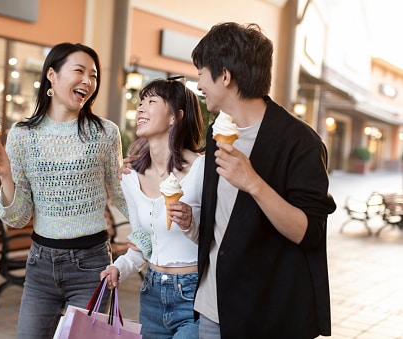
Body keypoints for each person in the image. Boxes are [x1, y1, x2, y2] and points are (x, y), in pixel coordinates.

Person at [190, 22, 337, 338]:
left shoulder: (300, 142)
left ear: (225, 75)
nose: (199, 83)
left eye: (201, 72)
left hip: (267, 317)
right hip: (211, 310)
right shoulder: (218, 133)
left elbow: (309, 233)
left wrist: (253, 182)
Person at [0, 42, 128, 339]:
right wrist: (6, 175)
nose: (88, 81)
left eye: (94, 75)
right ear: (52, 74)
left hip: (92, 266)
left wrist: (155, 233)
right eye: (79, 71)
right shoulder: (23, 135)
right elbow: (18, 217)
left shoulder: (105, 133)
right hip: (40, 265)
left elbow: (122, 194)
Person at [101, 77, 204, 338]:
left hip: (195, 296)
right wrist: (119, 268)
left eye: (152, 101)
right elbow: (142, 244)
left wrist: (191, 222)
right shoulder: (130, 178)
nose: (141, 108)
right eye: (140, 102)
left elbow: (220, 241)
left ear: (175, 117)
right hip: (152, 293)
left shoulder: (202, 170)